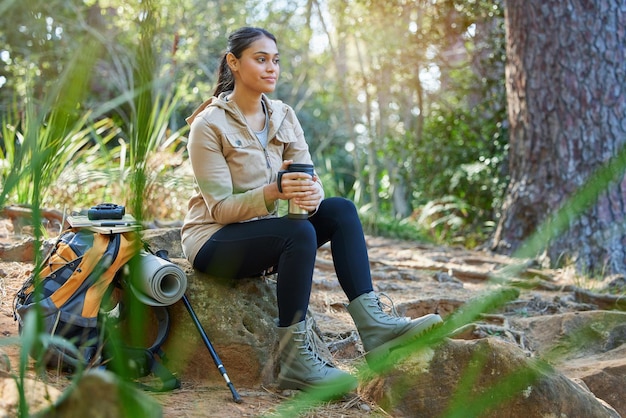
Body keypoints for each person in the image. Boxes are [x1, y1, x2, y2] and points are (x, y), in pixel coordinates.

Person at [181, 26, 442, 392]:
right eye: (260, 59)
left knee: (340, 210)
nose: (271, 68)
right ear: (233, 63)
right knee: (298, 232)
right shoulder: (209, 125)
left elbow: (308, 178)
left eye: (275, 60)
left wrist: (310, 193)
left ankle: (374, 328)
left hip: (268, 235)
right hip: (214, 241)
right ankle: (295, 362)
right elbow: (221, 208)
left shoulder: (284, 116)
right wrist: (275, 191)